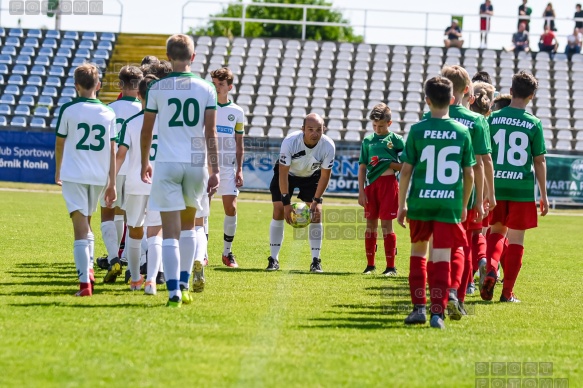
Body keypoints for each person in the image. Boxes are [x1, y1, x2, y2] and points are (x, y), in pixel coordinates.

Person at [141, 34, 220, 308]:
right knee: (189, 228)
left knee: (169, 232)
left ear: (168, 56)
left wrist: (144, 163)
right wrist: (216, 169)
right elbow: (210, 132)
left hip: (166, 163)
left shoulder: (157, 88)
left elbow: (146, 130)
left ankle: (173, 291)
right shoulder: (206, 88)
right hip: (195, 164)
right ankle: (184, 285)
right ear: (193, 57)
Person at [398, 76, 475, 330]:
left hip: (421, 202)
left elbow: (406, 170)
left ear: (427, 100)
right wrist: (464, 205)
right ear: (452, 100)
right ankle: (437, 314)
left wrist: (401, 205)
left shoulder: (417, 129)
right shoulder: (462, 131)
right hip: (449, 204)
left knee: (418, 253)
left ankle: (419, 308)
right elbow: (469, 173)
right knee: (442, 256)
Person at [422, 66, 496, 318]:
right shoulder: (477, 120)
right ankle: (458, 296)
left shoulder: (429, 116)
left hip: (433, 191)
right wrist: (488, 195)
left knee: (436, 248)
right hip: (467, 193)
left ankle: (437, 297)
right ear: (468, 90)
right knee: (463, 246)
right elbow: (484, 160)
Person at [483, 71, 549, 303]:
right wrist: (544, 194)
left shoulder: (491, 119)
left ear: (510, 92)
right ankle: (507, 293)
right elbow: (539, 161)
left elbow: (484, 155)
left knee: (496, 231)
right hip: (520, 189)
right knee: (517, 240)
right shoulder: (533, 123)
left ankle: (490, 268)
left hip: (496, 186)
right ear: (531, 96)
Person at [54, 63, 117, 296]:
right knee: (88, 226)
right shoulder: (109, 112)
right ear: (98, 85)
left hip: (74, 174)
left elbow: (60, 142)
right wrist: (111, 183)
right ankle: (88, 272)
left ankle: (85, 284)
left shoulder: (68, 109)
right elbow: (112, 150)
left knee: (80, 229)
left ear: (76, 85)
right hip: (98, 176)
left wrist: (58, 170)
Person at [266, 113, 335, 273]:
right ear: (303, 129)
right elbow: (283, 173)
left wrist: (316, 201)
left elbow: (325, 175)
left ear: (324, 129)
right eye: (310, 129)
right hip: (288, 174)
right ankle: (273, 259)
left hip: (312, 175)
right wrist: (286, 203)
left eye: (319, 129)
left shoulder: (328, 145)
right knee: (278, 210)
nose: (315, 133)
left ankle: (315, 261)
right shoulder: (290, 142)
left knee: (317, 212)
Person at [116, 74, 164, 295]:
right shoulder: (166, 123)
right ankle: (152, 280)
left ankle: (135, 279)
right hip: (159, 183)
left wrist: (111, 182)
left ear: (139, 95)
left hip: (135, 183)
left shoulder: (131, 123)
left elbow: (120, 156)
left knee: (135, 232)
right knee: (156, 233)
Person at [97, 66, 143, 283]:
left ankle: (114, 257)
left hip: (112, 167)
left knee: (108, 213)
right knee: (133, 217)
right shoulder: (145, 111)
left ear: (119, 85)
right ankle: (131, 260)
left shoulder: (108, 109)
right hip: (136, 169)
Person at [358, 103, 404, 276]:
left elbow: (406, 166)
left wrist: (388, 162)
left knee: (387, 225)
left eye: (381, 126)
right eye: (374, 126)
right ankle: (370, 265)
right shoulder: (368, 141)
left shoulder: (397, 141)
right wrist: (361, 191)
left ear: (389, 123)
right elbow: (362, 167)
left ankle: (390, 267)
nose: (377, 129)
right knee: (370, 226)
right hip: (371, 187)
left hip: (389, 185)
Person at [210, 67, 246, 268]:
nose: (216, 88)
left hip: (227, 167)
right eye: (214, 84)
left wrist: (239, 169)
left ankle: (227, 253)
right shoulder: (206, 107)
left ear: (229, 87)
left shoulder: (237, 112)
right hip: (204, 165)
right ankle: (201, 253)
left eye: (220, 84)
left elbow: (239, 143)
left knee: (231, 209)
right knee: (202, 209)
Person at [464, 81, 495, 298]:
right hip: (479, 185)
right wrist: (488, 193)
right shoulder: (482, 122)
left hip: (459, 186)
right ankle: (483, 261)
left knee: (462, 238)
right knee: (478, 232)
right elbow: (486, 160)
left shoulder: (461, 119)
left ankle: (467, 284)